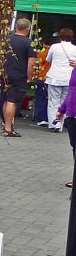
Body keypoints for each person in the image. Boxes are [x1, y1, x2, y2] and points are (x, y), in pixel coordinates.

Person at [2, 18, 38, 137]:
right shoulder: (28, 43)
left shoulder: (7, 40)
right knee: (13, 101)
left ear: (16, 27)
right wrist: (29, 77)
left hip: (5, 73)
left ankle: (6, 125)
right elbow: (31, 63)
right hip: (19, 75)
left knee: (7, 100)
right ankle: (8, 128)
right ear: (28, 30)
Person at [45, 28, 76, 132]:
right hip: (69, 78)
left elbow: (48, 59)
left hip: (55, 77)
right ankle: (62, 124)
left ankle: (55, 124)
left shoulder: (54, 47)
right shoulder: (74, 48)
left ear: (60, 36)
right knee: (65, 101)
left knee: (53, 101)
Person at [54, 57, 76, 187]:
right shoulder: (74, 71)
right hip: (72, 115)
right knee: (74, 148)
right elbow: (71, 91)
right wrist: (62, 109)